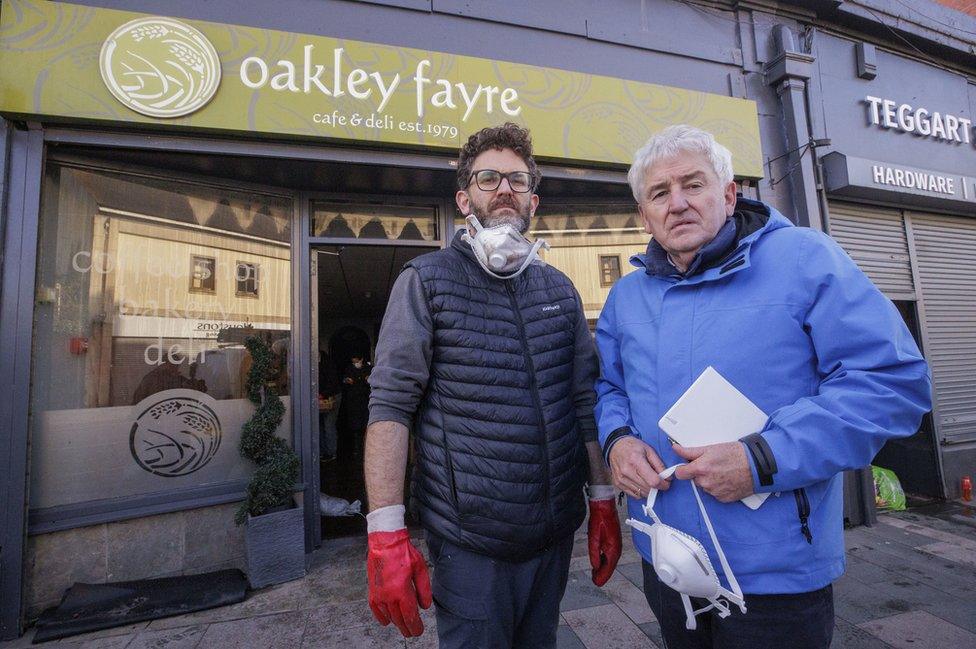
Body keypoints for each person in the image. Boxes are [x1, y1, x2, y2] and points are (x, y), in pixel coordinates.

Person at [596, 124, 932, 649]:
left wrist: (764, 459)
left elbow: (891, 381)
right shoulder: (627, 296)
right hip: (669, 560)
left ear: (729, 195)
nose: (677, 203)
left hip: (774, 571)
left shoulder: (805, 260)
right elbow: (609, 388)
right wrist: (617, 439)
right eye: (659, 193)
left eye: (693, 184)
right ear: (644, 214)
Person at [363, 122, 622, 647]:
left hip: (551, 536)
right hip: (470, 545)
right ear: (465, 198)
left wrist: (602, 498)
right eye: (488, 178)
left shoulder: (560, 290)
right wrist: (385, 531)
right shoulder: (425, 280)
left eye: (517, 180)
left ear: (533, 201)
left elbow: (582, 399)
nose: (505, 188)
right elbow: (390, 405)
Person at [340, 353, 372, 459]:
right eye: (353, 362)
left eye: (356, 362)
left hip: (365, 401)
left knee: (365, 426)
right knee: (354, 427)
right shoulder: (349, 368)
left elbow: (374, 382)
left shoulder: (369, 368)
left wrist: (369, 380)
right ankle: (356, 450)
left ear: (361, 359)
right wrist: (346, 380)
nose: (355, 364)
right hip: (353, 401)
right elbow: (343, 380)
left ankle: (366, 449)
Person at [318, 349, 342, 462]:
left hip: (331, 396)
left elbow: (332, 382)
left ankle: (330, 453)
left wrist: (322, 394)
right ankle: (325, 452)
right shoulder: (324, 361)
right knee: (323, 425)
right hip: (325, 395)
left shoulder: (327, 363)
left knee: (328, 425)